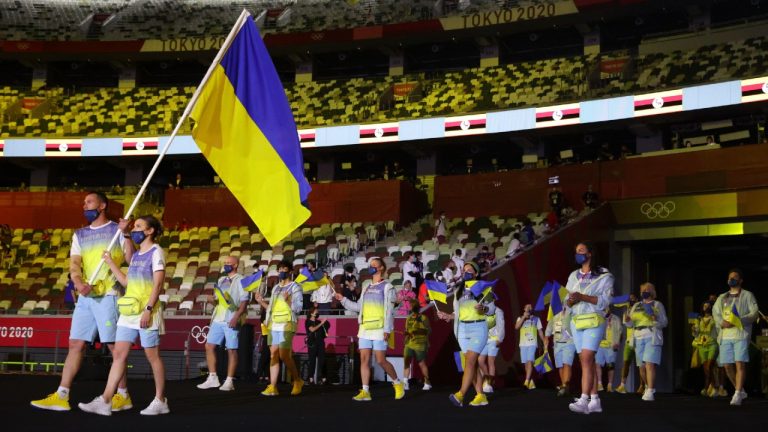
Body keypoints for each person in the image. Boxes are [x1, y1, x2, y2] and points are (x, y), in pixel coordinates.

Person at [32, 191, 134, 412]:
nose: (84, 206)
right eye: (84, 203)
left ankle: (123, 395)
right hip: (86, 296)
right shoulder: (80, 234)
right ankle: (62, 395)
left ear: (102, 205)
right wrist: (77, 283)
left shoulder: (117, 229)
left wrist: (126, 235)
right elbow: (75, 264)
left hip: (109, 295)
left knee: (114, 347)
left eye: (89, 202)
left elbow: (130, 260)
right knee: (75, 344)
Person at [78, 215, 168, 416]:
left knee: (152, 356)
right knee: (118, 354)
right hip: (128, 311)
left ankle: (160, 400)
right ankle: (106, 399)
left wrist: (148, 309)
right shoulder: (136, 256)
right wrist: (110, 262)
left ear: (150, 231)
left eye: (138, 226)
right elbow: (127, 282)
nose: (134, 229)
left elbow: (158, 284)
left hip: (147, 311)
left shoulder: (157, 252)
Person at [334, 257, 404, 401]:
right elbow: (359, 307)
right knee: (364, 359)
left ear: (381, 268)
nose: (371, 267)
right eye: (370, 265)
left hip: (379, 328)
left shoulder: (387, 287)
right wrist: (343, 300)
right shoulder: (366, 286)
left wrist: (387, 329)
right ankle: (366, 391)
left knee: (380, 360)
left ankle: (397, 383)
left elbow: (389, 310)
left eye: (374, 265)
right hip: (365, 328)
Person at [438, 262, 496, 407]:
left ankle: (460, 394)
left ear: (476, 273)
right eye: (464, 270)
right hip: (462, 330)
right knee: (472, 364)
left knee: (469, 362)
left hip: (478, 328)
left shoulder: (483, 287)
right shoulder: (458, 289)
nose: (466, 272)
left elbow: (492, 308)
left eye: (470, 270)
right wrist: (448, 316)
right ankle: (481, 396)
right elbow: (457, 313)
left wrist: (483, 307)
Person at [566, 241, 614, 414]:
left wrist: (583, 297)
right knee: (587, 362)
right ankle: (595, 400)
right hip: (577, 321)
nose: (577, 253)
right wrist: (571, 300)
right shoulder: (573, 275)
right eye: (576, 251)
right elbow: (568, 300)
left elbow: (605, 301)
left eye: (580, 250)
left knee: (586, 358)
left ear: (590, 253)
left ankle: (584, 399)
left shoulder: (603, 275)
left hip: (594, 320)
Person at [197, 256, 250, 391]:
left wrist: (236, 317)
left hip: (231, 317)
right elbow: (218, 300)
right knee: (209, 346)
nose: (226, 265)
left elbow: (244, 302)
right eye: (225, 263)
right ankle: (213, 377)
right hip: (217, 318)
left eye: (228, 263)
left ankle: (229, 381)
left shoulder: (241, 280)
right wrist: (211, 300)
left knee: (231, 349)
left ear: (236, 265)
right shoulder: (221, 280)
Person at [254, 261, 304, 397]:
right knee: (273, 355)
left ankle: (297, 380)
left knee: (283, 355)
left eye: (284, 269)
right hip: (274, 324)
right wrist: (261, 302)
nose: (281, 271)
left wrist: (288, 300)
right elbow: (271, 308)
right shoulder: (275, 288)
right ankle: (273, 386)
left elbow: (299, 308)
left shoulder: (295, 287)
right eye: (279, 269)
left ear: (290, 271)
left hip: (287, 323)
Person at [712, 269, 759, 406]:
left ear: (740, 280)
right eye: (730, 277)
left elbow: (754, 313)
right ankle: (741, 390)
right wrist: (722, 322)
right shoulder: (722, 297)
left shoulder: (748, 295)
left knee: (740, 363)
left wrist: (739, 320)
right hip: (725, 336)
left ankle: (737, 393)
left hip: (740, 335)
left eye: (735, 277)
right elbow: (716, 313)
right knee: (727, 366)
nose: (731, 279)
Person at [625, 282, 667, 402]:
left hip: (651, 335)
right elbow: (630, 324)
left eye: (648, 289)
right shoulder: (636, 305)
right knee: (641, 367)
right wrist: (628, 320)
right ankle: (648, 387)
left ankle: (650, 391)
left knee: (649, 363)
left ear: (652, 291)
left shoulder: (657, 304)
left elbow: (664, 322)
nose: (645, 291)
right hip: (638, 337)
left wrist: (655, 318)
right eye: (643, 289)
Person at [545, 308, 575, 397]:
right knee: (560, 366)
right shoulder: (555, 315)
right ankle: (564, 387)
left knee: (567, 364)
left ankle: (565, 385)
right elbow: (549, 327)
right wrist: (546, 337)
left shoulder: (571, 312)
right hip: (557, 344)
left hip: (569, 342)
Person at [403, 299, 431, 391]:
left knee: (421, 363)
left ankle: (427, 382)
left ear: (415, 306)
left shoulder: (423, 318)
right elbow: (407, 330)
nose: (409, 307)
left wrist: (417, 331)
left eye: (410, 305)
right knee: (406, 363)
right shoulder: (408, 318)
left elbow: (428, 331)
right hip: (409, 344)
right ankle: (405, 383)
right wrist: (407, 334)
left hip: (420, 344)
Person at [691, 300, 718, 397]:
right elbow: (696, 334)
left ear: (711, 307)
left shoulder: (715, 318)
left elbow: (719, 330)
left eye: (708, 306)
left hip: (712, 344)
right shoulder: (698, 319)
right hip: (702, 345)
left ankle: (712, 387)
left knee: (710, 366)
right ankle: (708, 387)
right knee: (705, 368)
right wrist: (694, 330)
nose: (705, 307)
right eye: (704, 305)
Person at [615, 293, 641, 394]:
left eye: (633, 298)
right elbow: (628, 325)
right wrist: (627, 319)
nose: (631, 300)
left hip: (640, 339)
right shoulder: (626, 311)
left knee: (641, 365)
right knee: (626, 362)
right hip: (629, 341)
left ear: (637, 299)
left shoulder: (641, 309)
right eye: (630, 299)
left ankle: (643, 386)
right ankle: (622, 386)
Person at [515, 303, 544, 389]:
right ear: (524, 308)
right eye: (527, 306)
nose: (529, 308)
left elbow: (540, 332)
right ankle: (530, 381)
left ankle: (526, 381)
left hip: (532, 343)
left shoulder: (536, 319)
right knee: (526, 364)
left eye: (530, 306)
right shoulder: (520, 318)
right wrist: (524, 317)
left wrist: (544, 341)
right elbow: (516, 327)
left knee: (530, 361)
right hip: (523, 344)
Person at [479, 304, 505, 394]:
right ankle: (487, 380)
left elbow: (501, 325)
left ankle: (489, 384)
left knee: (490, 361)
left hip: (494, 339)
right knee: (480, 361)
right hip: (484, 340)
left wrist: (500, 338)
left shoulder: (498, 311)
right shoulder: (482, 311)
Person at [596, 309, 621, 392]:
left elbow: (620, 331)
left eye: (607, 308)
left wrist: (617, 342)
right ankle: (599, 384)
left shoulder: (616, 318)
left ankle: (609, 385)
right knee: (597, 364)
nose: (605, 310)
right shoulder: (598, 317)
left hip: (611, 345)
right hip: (599, 345)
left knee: (610, 366)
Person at [305, 307, 330, 385]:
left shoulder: (318, 321)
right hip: (312, 343)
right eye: (316, 311)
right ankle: (310, 378)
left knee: (322, 360)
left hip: (320, 343)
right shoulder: (308, 321)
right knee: (312, 361)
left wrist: (325, 324)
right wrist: (321, 323)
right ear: (311, 313)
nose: (317, 313)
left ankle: (323, 378)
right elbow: (312, 329)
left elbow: (327, 326)